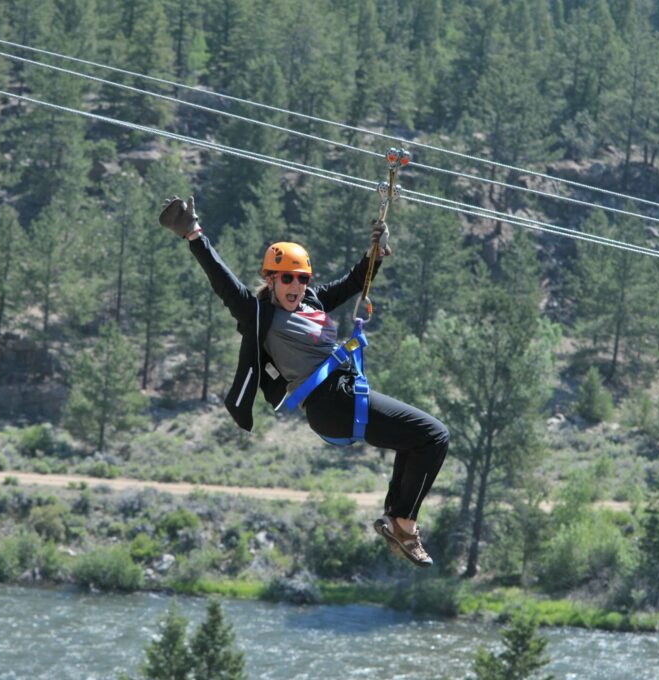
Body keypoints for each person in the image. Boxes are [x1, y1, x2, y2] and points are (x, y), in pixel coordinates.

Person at [159, 195, 449, 567]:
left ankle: (396, 517)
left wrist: (376, 252)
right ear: (271, 280)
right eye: (286, 278)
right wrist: (194, 234)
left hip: (345, 397)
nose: (295, 285)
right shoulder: (259, 315)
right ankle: (405, 524)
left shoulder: (312, 302)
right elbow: (224, 283)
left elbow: (354, 282)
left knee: (417, 441)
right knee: (435, 435)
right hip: (332, 404)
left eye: (301, 278)